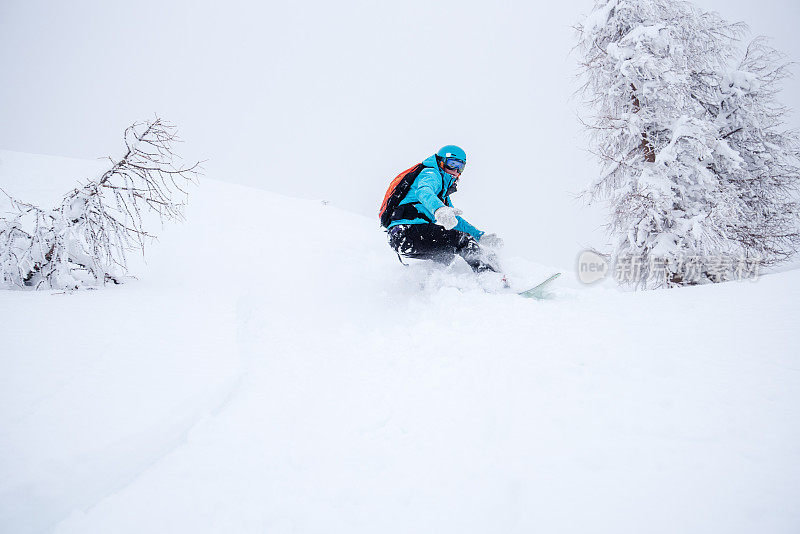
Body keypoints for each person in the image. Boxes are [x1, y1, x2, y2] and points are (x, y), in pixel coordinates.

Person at [386, 145, 503, 272]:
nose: (455, 170)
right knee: (464, 241)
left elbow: (455, 221)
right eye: (452, 164)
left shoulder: (442, 195)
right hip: (407, 231)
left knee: (446, 257)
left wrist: (480, 236)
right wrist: (439, 210)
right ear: (441, 162)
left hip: (400, 238)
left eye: (460, 166)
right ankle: (490, 277)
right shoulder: (431, 174)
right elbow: (424, 192)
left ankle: (437, 287)